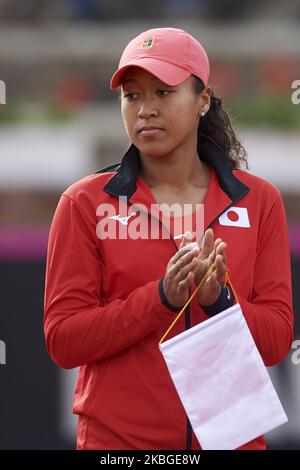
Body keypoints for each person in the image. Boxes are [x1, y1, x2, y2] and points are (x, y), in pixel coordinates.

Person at [43, 27, 294, 450]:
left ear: (202, 100)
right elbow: (64, 341)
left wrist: (220, 300)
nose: (145, 110)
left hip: (233, 442)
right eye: (133, 95)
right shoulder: (83, 203)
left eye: (163, 93)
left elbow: (274, 342)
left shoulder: (260, 201)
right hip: (119, 447)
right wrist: (160, 299)